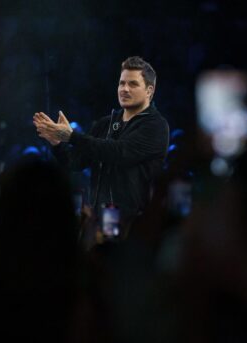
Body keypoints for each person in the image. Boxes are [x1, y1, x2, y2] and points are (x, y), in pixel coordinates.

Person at [33, 56, 170, 232]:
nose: (125, 89)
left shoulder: (156, 125)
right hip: (104, 218)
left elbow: (119, 152)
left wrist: (72, 137)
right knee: (103, 256)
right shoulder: (105, 124)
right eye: (121, 83)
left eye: (133, 84)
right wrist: (57, 143)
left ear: (149, 90)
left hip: (136, 223)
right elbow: (75, 162)